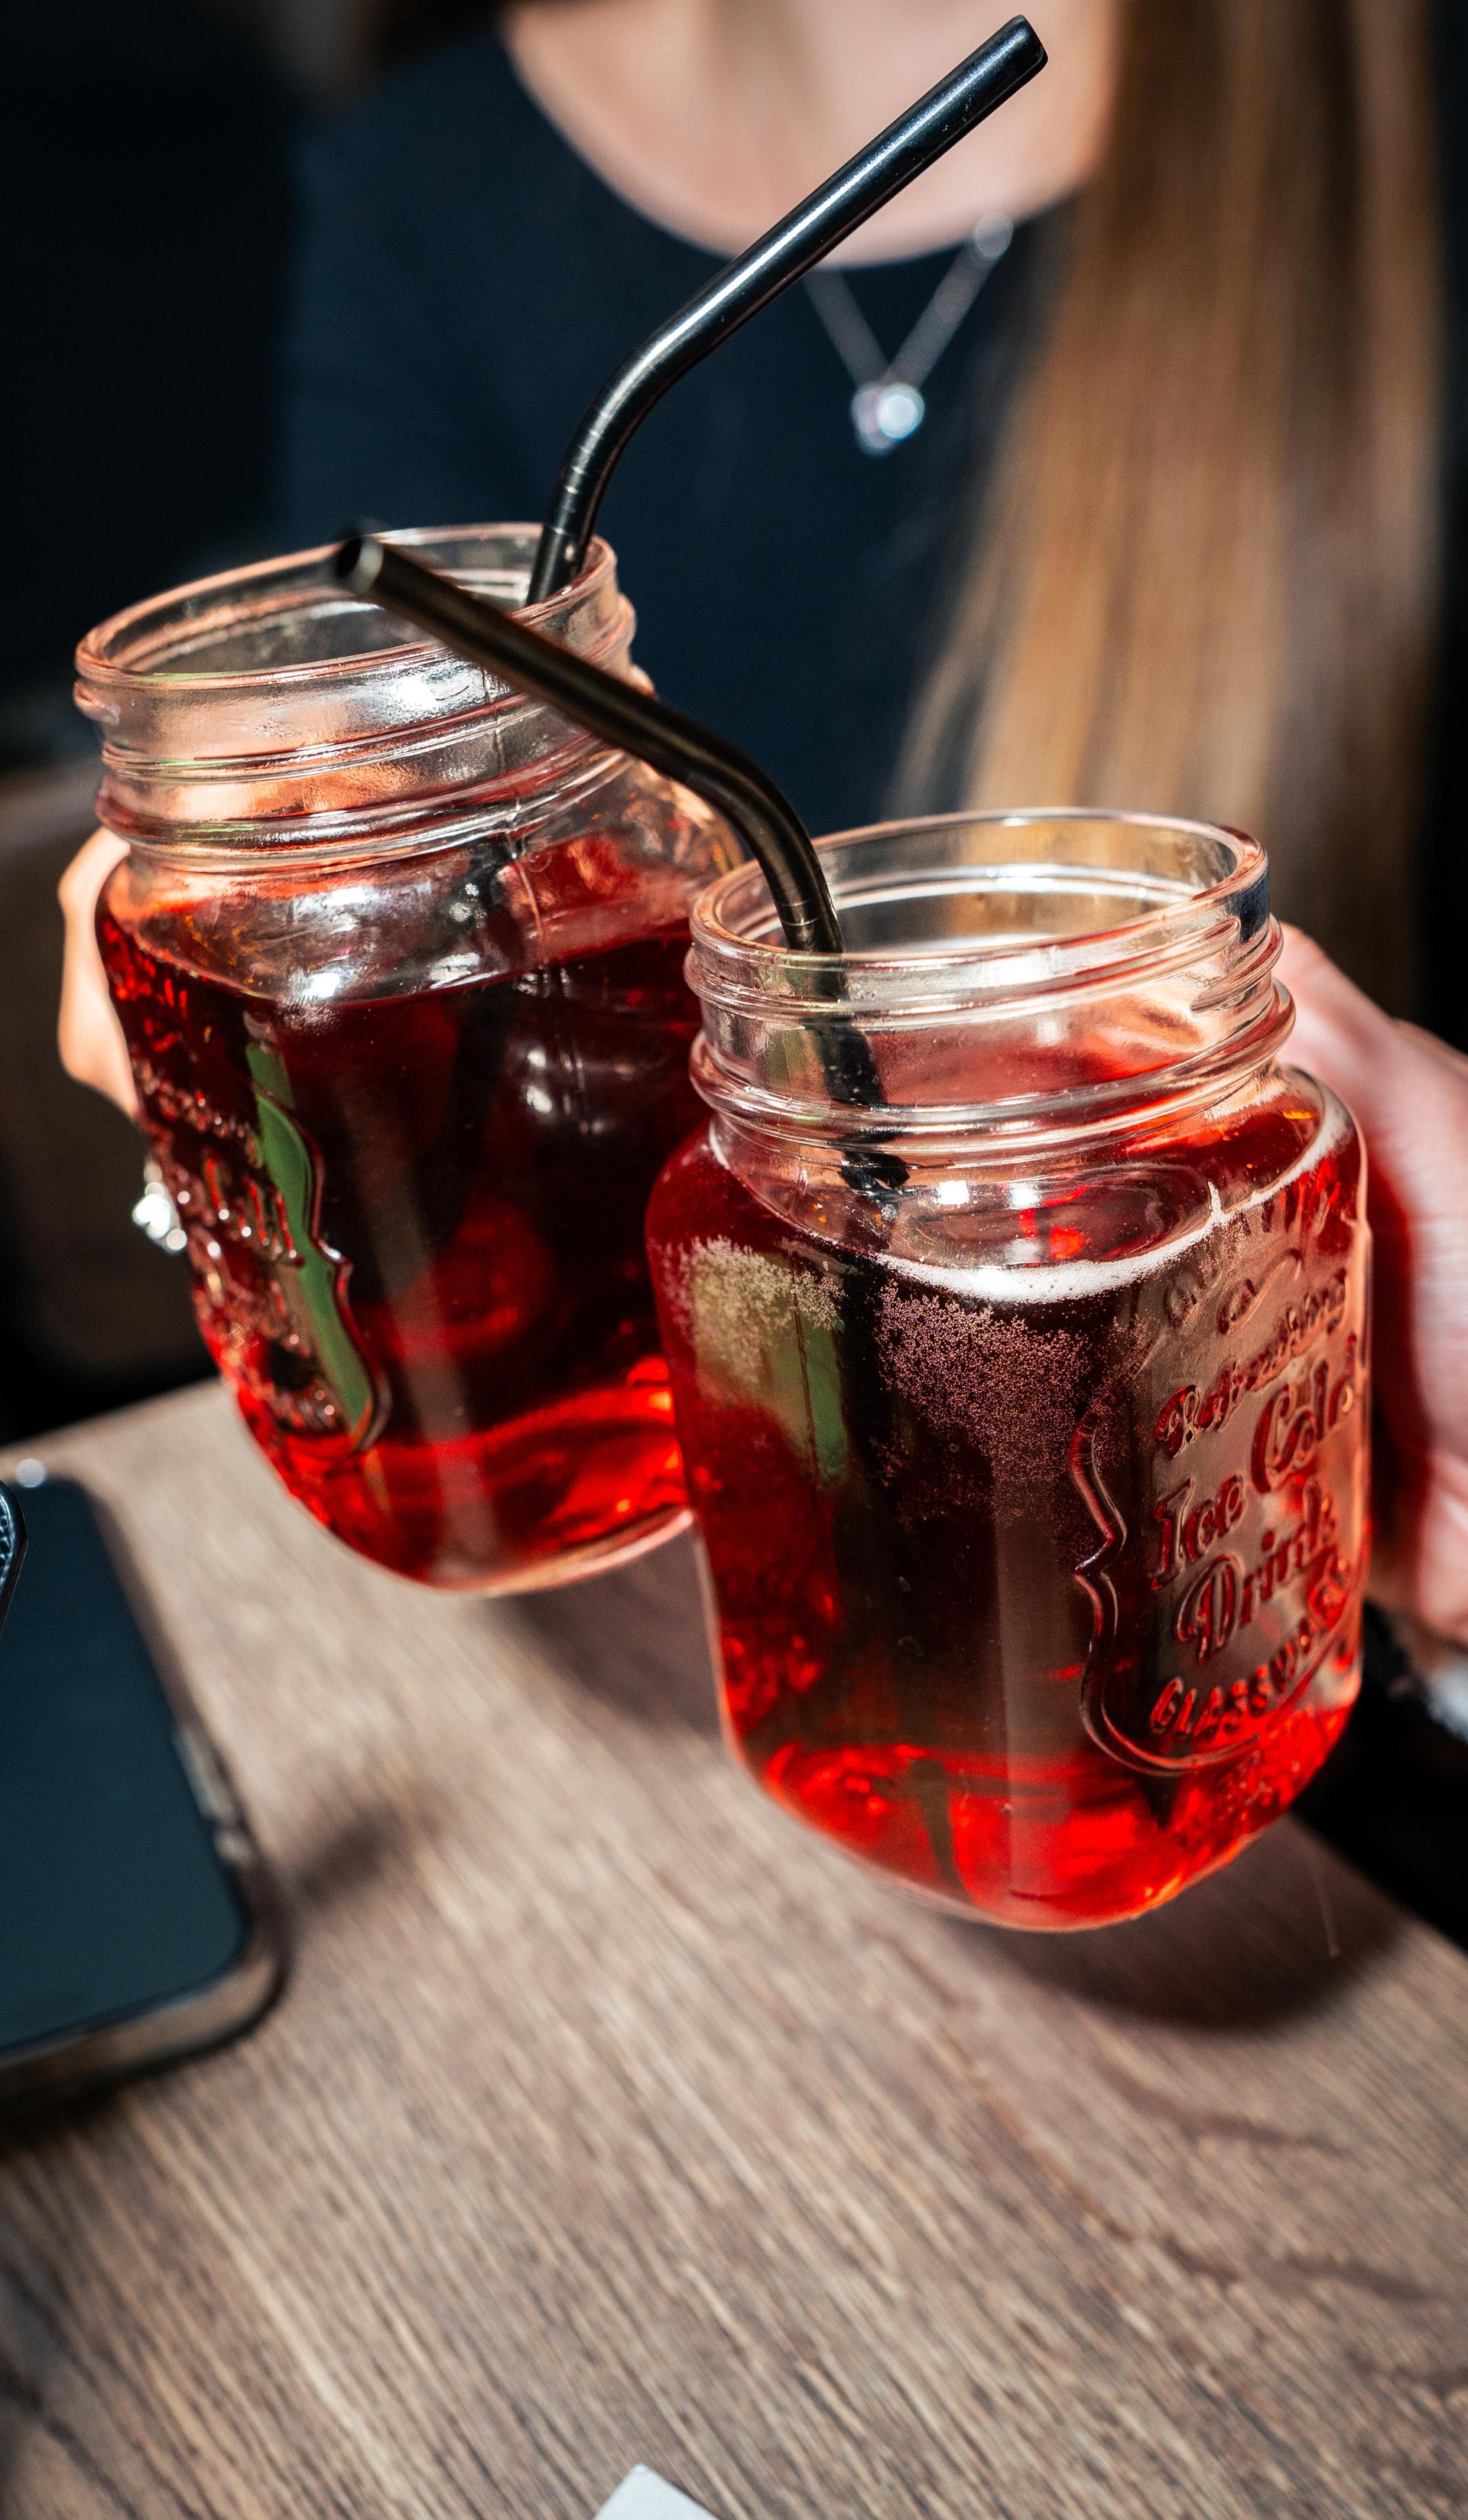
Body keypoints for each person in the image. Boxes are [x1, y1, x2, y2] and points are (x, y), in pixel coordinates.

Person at [57, 0, 1468, 1689]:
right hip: (789, 1610)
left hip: (1282, 1631)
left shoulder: (1398, 111)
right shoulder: (428, 194)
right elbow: (368, 759)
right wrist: (253, 1145)